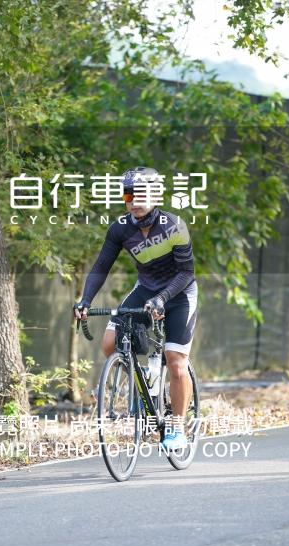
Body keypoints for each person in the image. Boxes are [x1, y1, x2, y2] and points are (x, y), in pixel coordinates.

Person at [73, 166, 198, 450]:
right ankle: (143, 383)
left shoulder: (174, 225)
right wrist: (85, 300)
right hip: (146, 290)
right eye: (128, 195)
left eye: (140, 194)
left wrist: (162, 298)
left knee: (175, 360)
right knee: (109, 344)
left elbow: (186, 273)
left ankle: (177, 427)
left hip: (179, 293)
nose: (133, 201)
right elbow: (101, 266)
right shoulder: (120, 228)